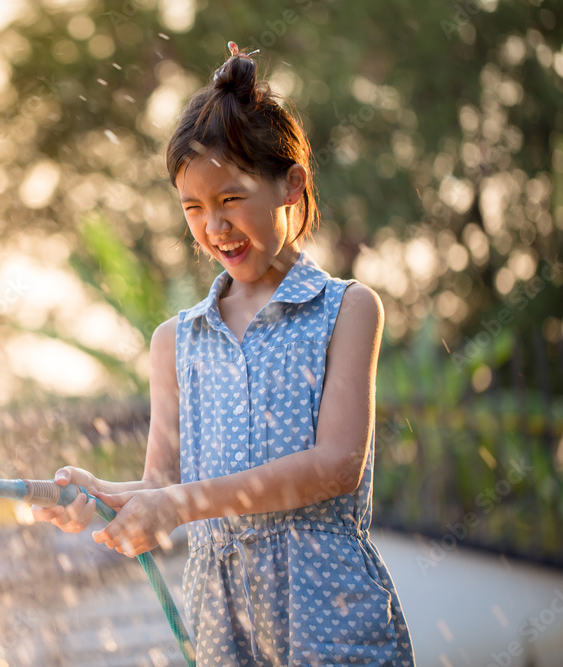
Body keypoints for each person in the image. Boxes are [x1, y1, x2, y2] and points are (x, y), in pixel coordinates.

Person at [32, 42, 417, 666]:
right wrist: (105, 498)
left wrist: (180, 503)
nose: (214, 226)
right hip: (222, 616)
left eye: (231, 199)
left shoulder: (347, 310)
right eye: (194, 208)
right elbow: (165, 484)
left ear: (291, 183)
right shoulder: (174, 342)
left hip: (328, 607)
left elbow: (336, 467)